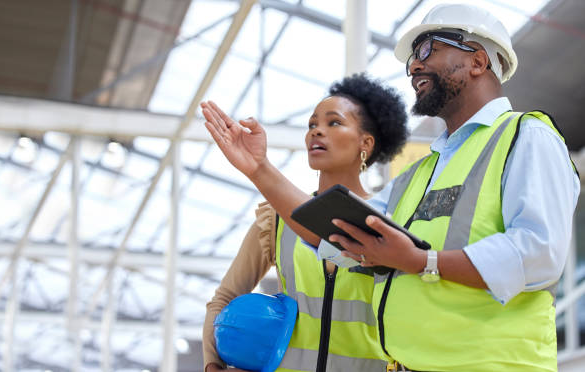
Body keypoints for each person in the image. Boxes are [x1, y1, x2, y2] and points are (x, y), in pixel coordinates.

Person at [201, 3, 580, 371]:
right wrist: (259, 169)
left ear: (478, 61)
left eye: (429, 48)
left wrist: (423, 262)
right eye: (412, 57)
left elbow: (538, 255)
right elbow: (341, 234)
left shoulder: (526, 136)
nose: (415, 64)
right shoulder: (421, 174)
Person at [201, 73, 408, 372]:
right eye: (312, 125)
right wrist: (213, 364)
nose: (316, 132)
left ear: (366, 143)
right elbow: (225, 297)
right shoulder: (276, 219)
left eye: (333, 123)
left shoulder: (391, 222)